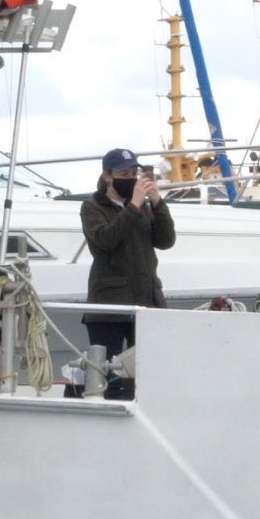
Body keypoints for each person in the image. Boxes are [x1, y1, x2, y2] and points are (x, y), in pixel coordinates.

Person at [80, 147, 175, 372]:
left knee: (148, 370)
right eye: (123, 174)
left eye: (133, 173)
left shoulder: (143, 206)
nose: (130, 178)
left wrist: (158, 204)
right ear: (107, 176)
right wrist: (133, 205)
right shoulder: (92, 207)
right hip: (108, 307)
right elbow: (106, 240)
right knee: (107, 372)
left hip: (147, 301)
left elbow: (166, 241)